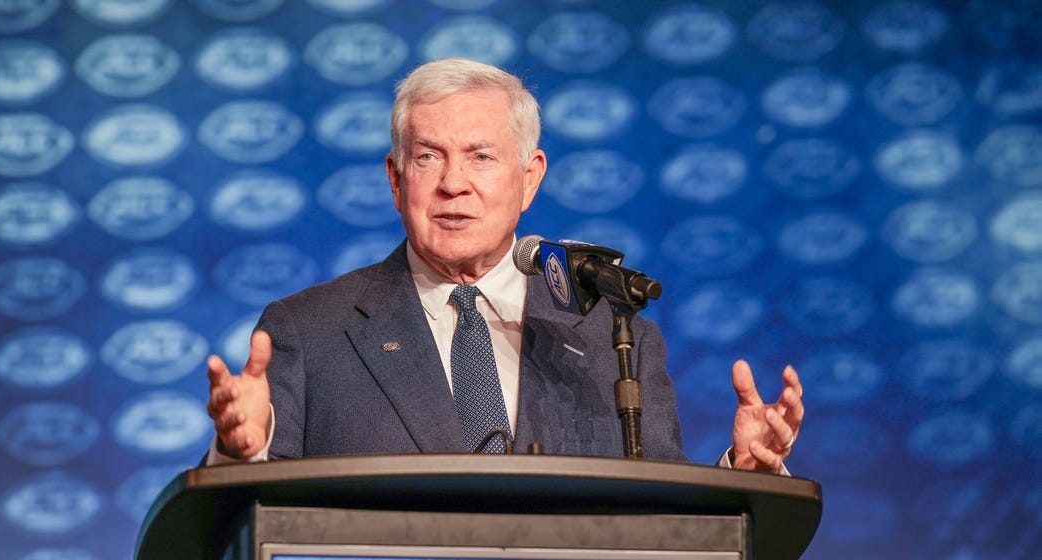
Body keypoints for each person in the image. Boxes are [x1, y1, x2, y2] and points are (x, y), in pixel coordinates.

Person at [205, 57, 804, 473]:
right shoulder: (310, 331)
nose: (454, 184)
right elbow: (255, 528)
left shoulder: (616, 341)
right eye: (428, 157)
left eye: (481, 157)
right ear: (395, 179)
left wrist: (744, 472)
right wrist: (241, 457)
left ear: (529, 179)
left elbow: (669, 528)